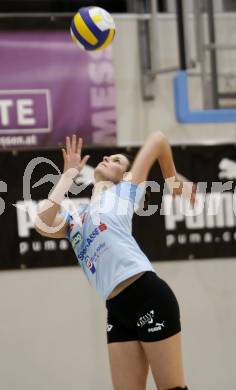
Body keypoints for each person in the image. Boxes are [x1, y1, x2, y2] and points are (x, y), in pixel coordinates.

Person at [35, 133, 194, 390]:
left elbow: (157, 140)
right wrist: (66, 177)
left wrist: (172, 179)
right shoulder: (77, 216)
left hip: (147, 294)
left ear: (125, 176)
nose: (107, 157)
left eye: (117, 160)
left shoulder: (124, 192)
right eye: (109, 156)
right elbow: (42, 224)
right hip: (117, 309)